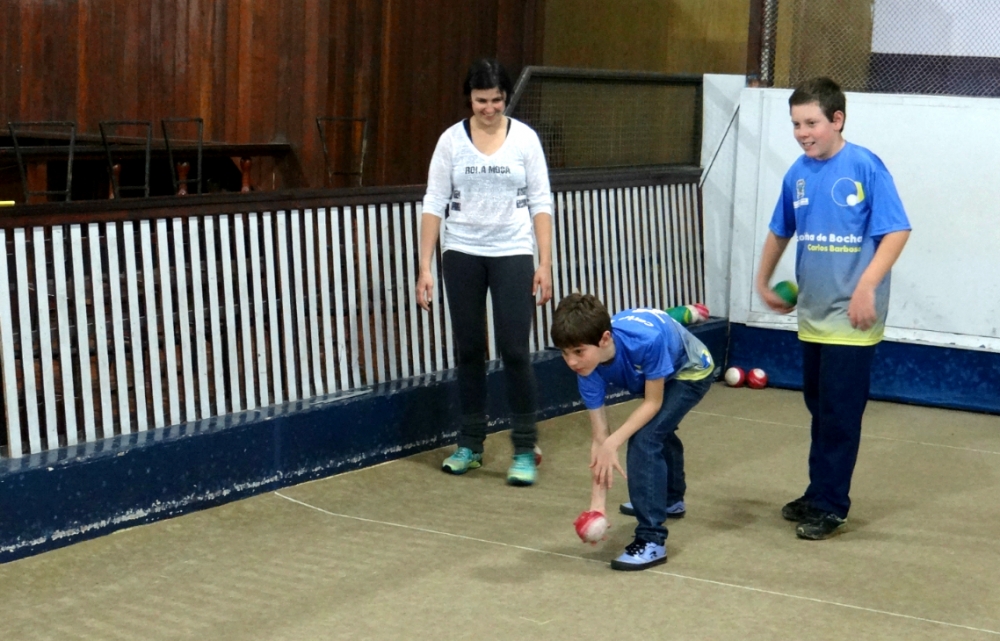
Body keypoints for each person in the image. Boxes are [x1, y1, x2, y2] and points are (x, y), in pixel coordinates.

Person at [756, 77, 911, 540]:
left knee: (841, 416)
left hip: (852, 318)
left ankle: (831, 505)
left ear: (837, 119)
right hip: (814, 317)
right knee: (820, 409)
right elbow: (780, 229)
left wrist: (867, 285)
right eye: (796, 124)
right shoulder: (798, 174)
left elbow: (896, 231)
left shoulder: (865, 166)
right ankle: (817, 489)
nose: (803, 132)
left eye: (812, 123)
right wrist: (762, 280)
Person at [416, 58, 553, 486]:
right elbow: (434, 202)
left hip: (512, 252)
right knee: (470, 349)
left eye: (496, 100)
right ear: (469, 99)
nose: (489, 108)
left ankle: (525, 447)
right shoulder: (450, 142)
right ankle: (470, 445)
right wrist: (424, 266)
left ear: (505, 98)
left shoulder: (525, 140)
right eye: (481, 101)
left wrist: (545, 262)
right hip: (462, 252)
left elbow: (541, 202)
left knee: (514, 349)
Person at [550, 293, 714, 570]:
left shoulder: (644, 343)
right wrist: (597, 506)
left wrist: (615, 441)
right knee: (658, 431)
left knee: (646, 438)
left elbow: (653, 403)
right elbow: (599, 437)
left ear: (604, 339)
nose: (572, 362)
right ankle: (670, 499)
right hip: (664, 367)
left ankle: (652, 541)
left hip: (691, 371)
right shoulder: (587, 370)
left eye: (578, 352)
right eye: (565, 353)